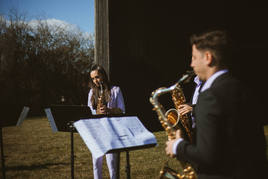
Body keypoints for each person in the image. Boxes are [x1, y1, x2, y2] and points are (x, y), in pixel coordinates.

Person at [165, 30, 268, 179]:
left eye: (194, 57)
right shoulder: (241, 88)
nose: (191, 63)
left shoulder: (210, 97)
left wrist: (177, 146)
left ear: (208, 58)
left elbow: (208, 155)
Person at [88, 64, 125, 179]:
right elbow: (89, 111)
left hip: (111, 131)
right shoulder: (91, 93)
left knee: (112, 165)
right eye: (93, 78)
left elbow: (122, 110)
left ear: (103, 75)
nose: (95, 81)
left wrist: (109, 110)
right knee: (96, 164)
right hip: (97, 130)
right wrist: (97, 112)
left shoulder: (116, 90)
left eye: (97, 77)